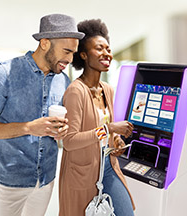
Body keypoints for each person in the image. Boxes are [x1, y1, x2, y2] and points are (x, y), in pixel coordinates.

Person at [0, 14, 84, 216]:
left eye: (73, 53)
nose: (70, 59)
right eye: (66, 51)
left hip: (46, 179)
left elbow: (58, 130)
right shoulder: (3, 74)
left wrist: (61, 131)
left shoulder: (63, 81)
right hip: (11, 181)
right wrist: (29, 127)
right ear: (45, 43)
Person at [58, 19, 135, 216]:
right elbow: (69, 141)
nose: (106, 53)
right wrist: (110, 130)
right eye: (99, 49)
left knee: (126, 212)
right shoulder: (75, 92)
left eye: (108, 49)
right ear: (83, 55)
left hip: (108, 165)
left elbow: (107, 133)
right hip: (82, 172)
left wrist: (115, 140)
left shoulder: (107, 90)